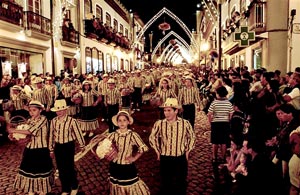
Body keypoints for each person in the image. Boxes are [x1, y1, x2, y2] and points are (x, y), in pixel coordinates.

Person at [149, 98, 196, 195]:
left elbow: (192, 137)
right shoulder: (159, 124)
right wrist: (157, 151)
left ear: (176, 111)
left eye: (169, 110)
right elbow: (152, 138)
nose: (166, 113)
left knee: (181, 182)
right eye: (165, 110)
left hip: (180, 157)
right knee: (166, 182)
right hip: (165, 158)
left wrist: (188, 151)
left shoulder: (185, 123)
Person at [7, 100, 53, 195]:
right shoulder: (30, 120)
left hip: (41, 148)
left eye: (34, 110)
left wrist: (13, 130)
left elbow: (30, 131)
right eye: (30, 110)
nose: (31, 112)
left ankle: (42, 189)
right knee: (29, 169)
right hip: (30, 148)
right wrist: (14, 135)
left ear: (40, 110)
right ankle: (32, 188)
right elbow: (24, 133)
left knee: (41, 169)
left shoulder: (43, 119)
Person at [105, 110, 150, 195]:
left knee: (129, 184)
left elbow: (143, 148)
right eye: (120, 120)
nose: (122, 123)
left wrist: (134, 158)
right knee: (117, 184)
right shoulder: (113, 135)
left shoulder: (133, 135)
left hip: (127, 165)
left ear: (128, 122)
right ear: (117, 123)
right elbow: (105, 145)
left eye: (124, 120)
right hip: (115, 165)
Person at [49, 99, 85, 195]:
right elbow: (51, 136)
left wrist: (82, 145)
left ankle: (74, 185)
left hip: (68, 146)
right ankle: (65, 188)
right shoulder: (53, 121)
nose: (59, 112)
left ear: (65, 110)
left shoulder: (72, 121)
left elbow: (78, 133)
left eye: (61, 110)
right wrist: (51, 149)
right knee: (60, 167)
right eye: (57, 110)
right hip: (58, 146)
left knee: (69, 167)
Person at [207, 86, 234, 163]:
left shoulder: (214, 103)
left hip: (216, 123)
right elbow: (231, 114)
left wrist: (210, 122)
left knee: (215, 142)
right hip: (225, 123)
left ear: (218, 94)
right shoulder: (228, 103)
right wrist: (228, 120)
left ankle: (214, 157)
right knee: (224, 142)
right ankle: (223, 157)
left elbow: (209, 114)